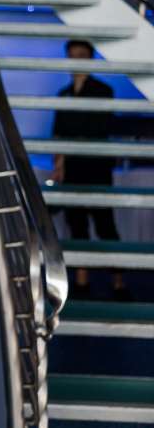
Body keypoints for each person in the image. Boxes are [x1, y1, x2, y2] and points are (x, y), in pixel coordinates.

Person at [51, 39, 129, 301]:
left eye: (82, 55)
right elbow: (58, 134)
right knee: (77, 225)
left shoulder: (103, 90)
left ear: (91, 58)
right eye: (73, 55)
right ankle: (82, 282)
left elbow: (97, 128)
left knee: (105, 225)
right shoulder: (63, 94)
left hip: (96, 167)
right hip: (72, 168)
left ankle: (119, 283)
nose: (77, 60)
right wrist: (58, 165)